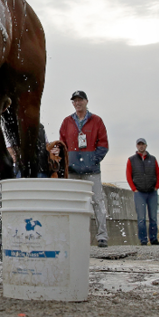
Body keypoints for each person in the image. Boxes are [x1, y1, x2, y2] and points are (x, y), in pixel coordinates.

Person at [59, 90, 109, 247]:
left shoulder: (97, 121)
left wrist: (93, 160)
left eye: (80, 100)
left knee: (98, 202)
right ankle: (74, 235)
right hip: (72, 171)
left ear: (86, 101)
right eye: (74, 101)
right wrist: (65, 161)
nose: (77, 103)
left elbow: (103, 144)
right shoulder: (67, 122)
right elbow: (62, 144)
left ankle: (102, 236)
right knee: (72, 203)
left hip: (92, 171)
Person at [125, 138, 159, 245]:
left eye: (143, 144)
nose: (141, 146)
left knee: (153, 217)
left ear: (146, 145)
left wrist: (156, 186)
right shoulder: (131, 160)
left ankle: (154, 239)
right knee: (141, 218)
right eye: (139, 144)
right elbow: (128, 175)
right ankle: (143, 240)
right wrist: (134, 189)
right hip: (139, 192)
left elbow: (158, 174)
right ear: (136, 146)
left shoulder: (153, 159)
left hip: (152, 192)